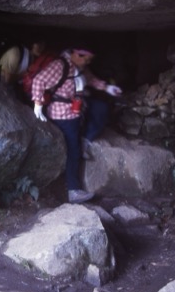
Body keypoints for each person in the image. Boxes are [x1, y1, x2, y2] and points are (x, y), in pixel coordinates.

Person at [31, 47, 122, 203]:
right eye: (84, 58)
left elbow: (90, 79)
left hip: (77, 106)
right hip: (63, 113)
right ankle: (73, 190)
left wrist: (107, 87)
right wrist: (38, 103)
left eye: (89, 60)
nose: (87, 62)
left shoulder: (79, 66)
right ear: (75, 53)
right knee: (73, 149)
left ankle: (85, 139)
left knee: (100, 108)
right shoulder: (60, 65)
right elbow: (39, 81)